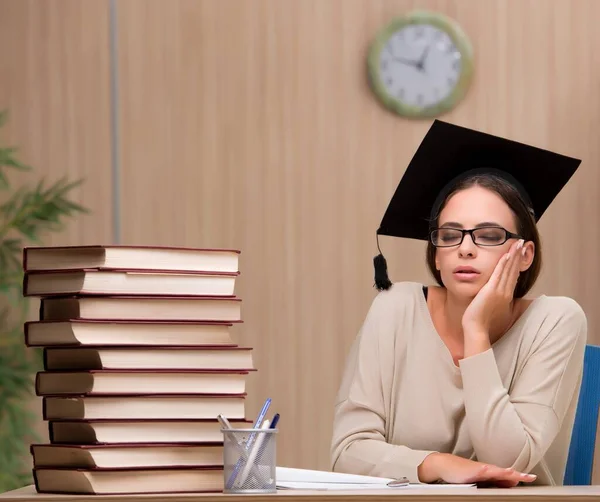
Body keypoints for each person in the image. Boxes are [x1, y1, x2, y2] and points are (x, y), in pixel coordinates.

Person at [330, 120, 587, 487]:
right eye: (450, 235)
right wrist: (437, 464)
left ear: (525, 254)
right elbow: (347, 451)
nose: (465, 248)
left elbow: (507, 462)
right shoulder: (395, 308)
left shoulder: (556, 319)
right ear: (436, 256)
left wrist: (476, 331)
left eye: (488, 235)